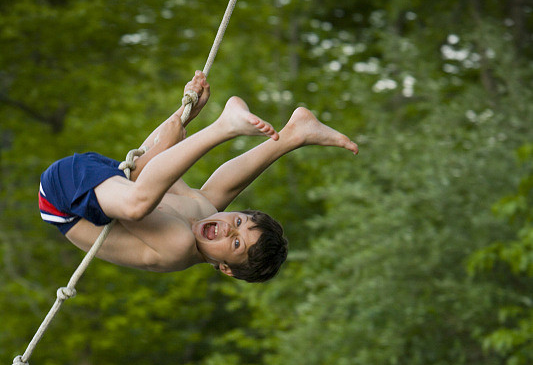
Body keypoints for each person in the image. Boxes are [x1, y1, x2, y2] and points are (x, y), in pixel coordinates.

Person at [38, 72, 358, 283]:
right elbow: (148, 165)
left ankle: (228, 126)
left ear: (226, 269)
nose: (227, 228)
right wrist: (184, 114)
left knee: (142, 203)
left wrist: (183, 121)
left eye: (234, 243)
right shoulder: (204, 215)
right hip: (104, 178)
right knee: (200, 200)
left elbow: (149, 170)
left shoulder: (179, 248)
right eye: (239, 222)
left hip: (64, 201)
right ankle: (291, 135)